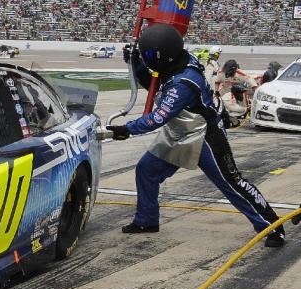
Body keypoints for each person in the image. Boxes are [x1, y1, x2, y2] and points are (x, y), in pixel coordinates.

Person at [107, 24, 284, 248]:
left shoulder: (183, 82)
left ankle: (273, 226)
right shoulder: (176, 63)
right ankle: (146, 220)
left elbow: (157, 117)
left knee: (232, 182)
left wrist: (127, 128)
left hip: (205, 136)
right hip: (180, 132)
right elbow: (154, 84)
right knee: (147, 170)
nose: (147, 58)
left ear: (164, 56)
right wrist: (136, 62)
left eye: (150, 55)